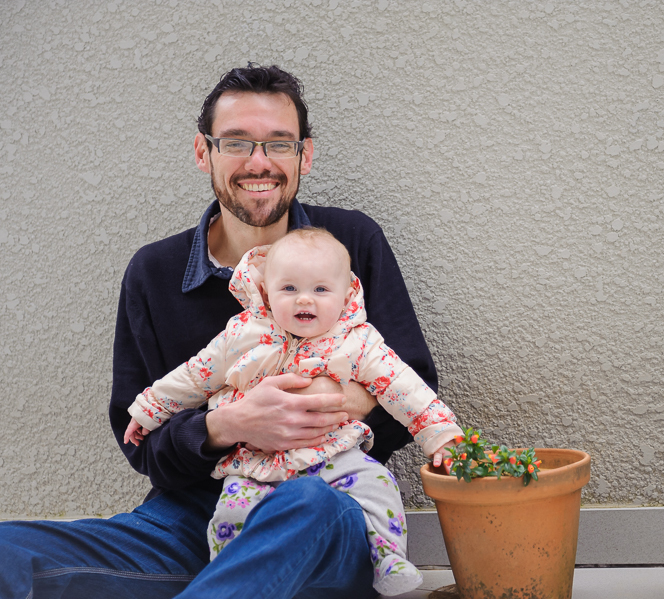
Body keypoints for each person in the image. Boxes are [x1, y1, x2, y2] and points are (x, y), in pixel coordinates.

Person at [0, 64, 441, 599]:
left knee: (306, 506)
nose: (260, 162)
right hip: (194, 518)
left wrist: (321, 402)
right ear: (202, 152)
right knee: (8, 550)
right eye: (236, 142)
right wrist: (227, 424)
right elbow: (141, 441)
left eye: (279, 144)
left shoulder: (351, 242)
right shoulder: (154, 272)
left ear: (304, 155)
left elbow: (413, 386)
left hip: (325, 501)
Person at [124, 227, 462, 595]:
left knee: (378, 485)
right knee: (231, 514)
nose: (305, 300)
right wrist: (148, 410)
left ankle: (389, 557)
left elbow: (406, 389)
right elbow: (192, 377)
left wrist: (442, 435)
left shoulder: (359, 341)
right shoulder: (240, 336)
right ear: (266, 291)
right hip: (255, 463)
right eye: (289, 289)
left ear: (346, 293)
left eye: (320, 290)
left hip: (333, 456)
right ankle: (228, 574)